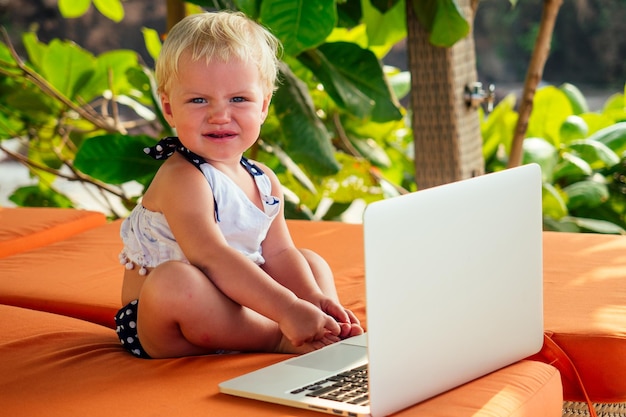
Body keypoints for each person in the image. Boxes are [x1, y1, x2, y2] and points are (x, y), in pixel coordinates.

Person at [115, 11, 363, 359]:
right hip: (165, 322)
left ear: (263, 106)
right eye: (199, 100)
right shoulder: (182, 177)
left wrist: (310, 296)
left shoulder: (263, 179)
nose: (220, 115)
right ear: (170, 109)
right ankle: (274, 338)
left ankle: (325, 322)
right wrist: (287, 308)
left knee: (309, 261)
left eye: (238, 99)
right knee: (174, 282)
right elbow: (212, 258)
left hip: (237, 300)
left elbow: (278, 253)